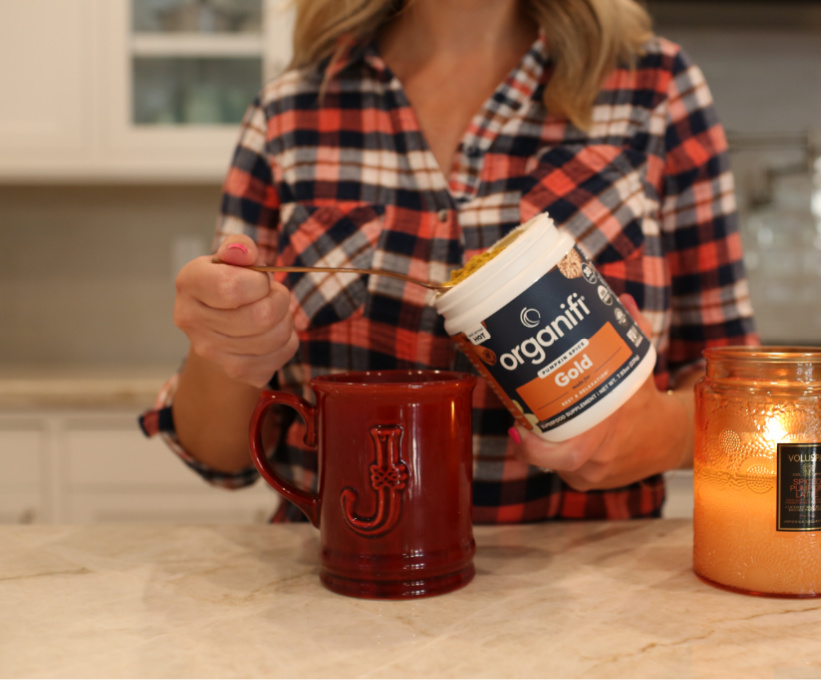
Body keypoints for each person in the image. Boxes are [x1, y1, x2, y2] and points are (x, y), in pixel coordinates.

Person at [140, 0, 758, 523]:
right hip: (345, 596)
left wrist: (663, 437)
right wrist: (225, 340)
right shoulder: (290, 111)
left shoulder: (655, 88)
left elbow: (745, 402)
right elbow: (219, 452)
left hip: (592, 608)